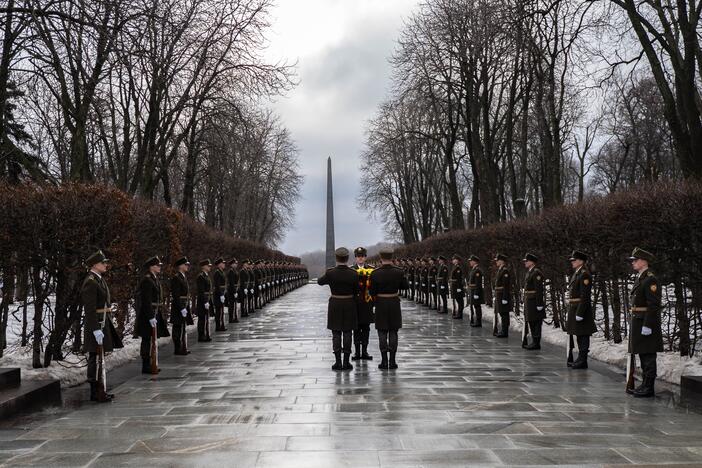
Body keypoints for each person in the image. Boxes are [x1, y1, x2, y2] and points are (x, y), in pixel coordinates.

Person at [80, 250, 123, 402]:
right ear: (95, 264)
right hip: (96, 323)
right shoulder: (90, 282)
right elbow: (90, 309)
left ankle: (100, 390)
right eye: (103, 262)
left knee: (99, 356)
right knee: (94, 356)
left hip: (102, 321)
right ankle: (95, 391)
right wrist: (96, 329)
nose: (106, 265)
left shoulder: (99, 280)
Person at [627, 247, 663, 397]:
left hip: (646, 323)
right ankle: (644, 384)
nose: (633, 263)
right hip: (639, 322)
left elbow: (653, 305)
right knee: (643, 354)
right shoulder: (642, 277)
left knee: (648, 356)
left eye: (635, 260)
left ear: (643, 261)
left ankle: (649, 387)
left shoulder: (650, 279)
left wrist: (647, 325)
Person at [318, 247, 359, 371]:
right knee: (347, 333)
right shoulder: (353, 273)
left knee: (336, 333)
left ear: (336, 258)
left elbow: (320, 282)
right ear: (347, 258)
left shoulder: (331, 273)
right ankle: (346, 362)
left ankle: (337, 362)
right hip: (349, 304)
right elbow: (357, 291)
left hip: (335, 304)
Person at [370, 248, 409, 370]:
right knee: (393, 332)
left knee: (382, 332)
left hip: (381, 303)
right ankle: (392, 361)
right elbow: (405, 286)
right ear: (391, 258)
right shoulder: (399, 271)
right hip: (394, 303)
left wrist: (376, 302)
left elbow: (372, 292)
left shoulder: (375, 273)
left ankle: (383, 361)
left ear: (381, 258)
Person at [134, 256, 170, 374]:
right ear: (151, 267)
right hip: (148, 314)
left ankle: (150, 363)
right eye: (157, 265)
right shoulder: (147, 280)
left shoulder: (154, 279)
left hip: (154, 312)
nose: (159, 267)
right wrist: (150, 317)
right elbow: (146, 301)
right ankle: (146, 365)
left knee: (151, 340)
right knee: (147, 339)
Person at [566, 250, 595, 369]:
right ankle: (580, 359)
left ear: (581, 261)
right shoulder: (577, 273)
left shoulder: (584, 274)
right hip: (575, 308)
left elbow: (585, 296)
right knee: (579, 334)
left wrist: (580, 312)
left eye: (574, 260)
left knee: (583, 335)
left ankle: (583, 359)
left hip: (580, 309)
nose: (572, 262)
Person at [351, 247, 374, 361]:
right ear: (355, 258)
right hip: (355, 304)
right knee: (355, 329)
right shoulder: (351, 270)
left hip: (366, 304)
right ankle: (357, 352)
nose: (360, 258)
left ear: (365, 257)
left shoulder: (371, 270)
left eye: (362, 256)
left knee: (366, 328)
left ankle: (364, 351)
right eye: (358, 256)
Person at [170, 256, 193, 356]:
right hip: (178, 306)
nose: (187, 266)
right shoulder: (176, 278)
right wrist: (181, 308)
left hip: (184, 305)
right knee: (178, 327)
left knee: (182, 327)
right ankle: (177, 348)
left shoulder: (183, 276)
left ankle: (182, 347)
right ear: (180, 266)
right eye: (185, 264)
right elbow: (176, 295)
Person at [522, 253, 545, 350]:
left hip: (534, 301)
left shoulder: (536, 273)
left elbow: (539, 290)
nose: (525, 263)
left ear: (532, 262)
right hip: (529, 301)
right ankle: (534, 341)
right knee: (531, 321)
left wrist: (539, 304)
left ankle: (536, 342)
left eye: (526, 261)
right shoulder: (530, 272)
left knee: (536, 322)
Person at [493, 253, 512, 338]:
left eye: (497, 260)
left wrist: (505, 297)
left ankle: (505, 331)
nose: (496, 262)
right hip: (499, 294)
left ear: (501, 261)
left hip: (502, 295)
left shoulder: (505, 271)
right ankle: (503, 330)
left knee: (504, 313)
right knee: (501, 313)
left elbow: (506, 285)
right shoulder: (500, 270)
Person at [196, 259, 213, 342]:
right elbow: (201, 291)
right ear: (204, 267)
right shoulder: (201, 277)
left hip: (207, 300)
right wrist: (205, 301)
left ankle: (206, 334)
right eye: (208, 265)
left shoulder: (206, 276)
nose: (210, 267)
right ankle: (201, 335)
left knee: (206, 318)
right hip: (202, 301)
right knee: (202, 318)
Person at [467, 255, 484, 327]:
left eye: (471, 261)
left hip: (475, 291)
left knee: (477, 306)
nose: (470, 262)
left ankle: (478, 321)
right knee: (475, 306)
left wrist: (476, 293)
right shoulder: (474, 270)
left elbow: (478, 283)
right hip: (472, 290)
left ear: (474, 261)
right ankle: (476, 321)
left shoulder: (477, 271)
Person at [213, 257, 227, 331]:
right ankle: (218, 326)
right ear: (219, 265)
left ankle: (221, 325)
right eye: (222, 263)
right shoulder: (217, 273)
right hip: (218, 294)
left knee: (221, 310)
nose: (224, 264)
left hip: (222, 294)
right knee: (219, 311)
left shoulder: (221, 272)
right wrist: (221, 294)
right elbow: (217, 285)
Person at [450, 254, 465, 319]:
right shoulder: (455, 267)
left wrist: (459, 288)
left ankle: (460, 314)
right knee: (458, 300)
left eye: (454, 259)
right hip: (455, 286)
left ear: (457, 260)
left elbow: (459, 279)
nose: (453, 260)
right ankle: (459, 313)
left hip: (457, 286)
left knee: (460, 301)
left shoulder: (458, 268)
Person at [227, 258, 240, 323]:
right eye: (235, 263)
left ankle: (234, 317)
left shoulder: (234, 271)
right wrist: (234, 291)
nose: (236, 264)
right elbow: (231, 283)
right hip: (232, 290)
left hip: (235, 289)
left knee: (234, 304)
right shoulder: (231, 271)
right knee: (232, 305)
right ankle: (231, 318)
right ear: (232, 264)